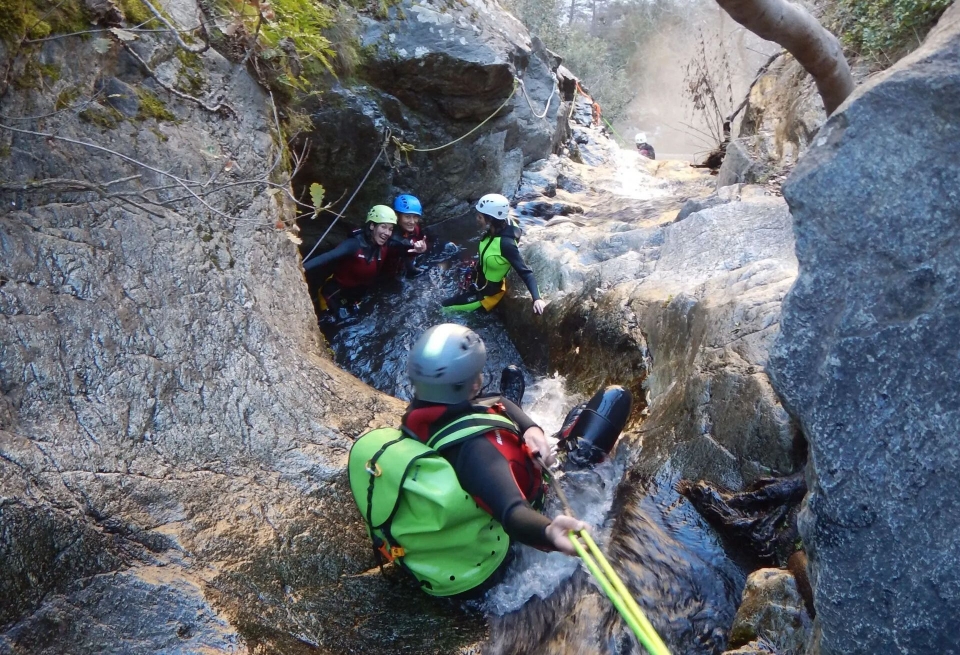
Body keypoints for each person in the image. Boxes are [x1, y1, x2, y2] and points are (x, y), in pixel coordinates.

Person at [402, 324, 587, 559]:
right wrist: (549, 532)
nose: (479, 379)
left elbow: (493, 400)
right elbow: (512, 511)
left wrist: (530, 428)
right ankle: (569, 449)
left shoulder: (420, 414)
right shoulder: (476, 451)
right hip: (528, 492)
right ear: (474, 384)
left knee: (503, 404)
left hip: (495, 454)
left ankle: (510, 421)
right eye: (475, 375)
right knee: (612, 400)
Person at [302, 205, 423, 318]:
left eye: (390, 229)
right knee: (333, 322)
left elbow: (404, 249)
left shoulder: (386, 244)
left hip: (356, 295)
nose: (387, 233)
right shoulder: (354, 244)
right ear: (372, 226)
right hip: (333, 295)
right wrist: (302, 268)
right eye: (383, 227)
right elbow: (329, 256)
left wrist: (418, 250)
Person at [441, 193, 546, 314]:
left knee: (444, 307)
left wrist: (537, 298)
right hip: (478, 279)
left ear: (491, 219)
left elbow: (525, 272)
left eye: (480, 217)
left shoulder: (506, 244)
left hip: (485, 296)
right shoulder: (503, 223)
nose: (477, 219)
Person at [386, 194, 430, 278]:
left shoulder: (415, 229)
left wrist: (423, 248)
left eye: (415, 217)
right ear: (397, 216)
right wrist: (417, 251)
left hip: (409, 264)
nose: (412, 221)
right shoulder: (391, 237)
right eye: (407, 217)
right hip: (393, 275)